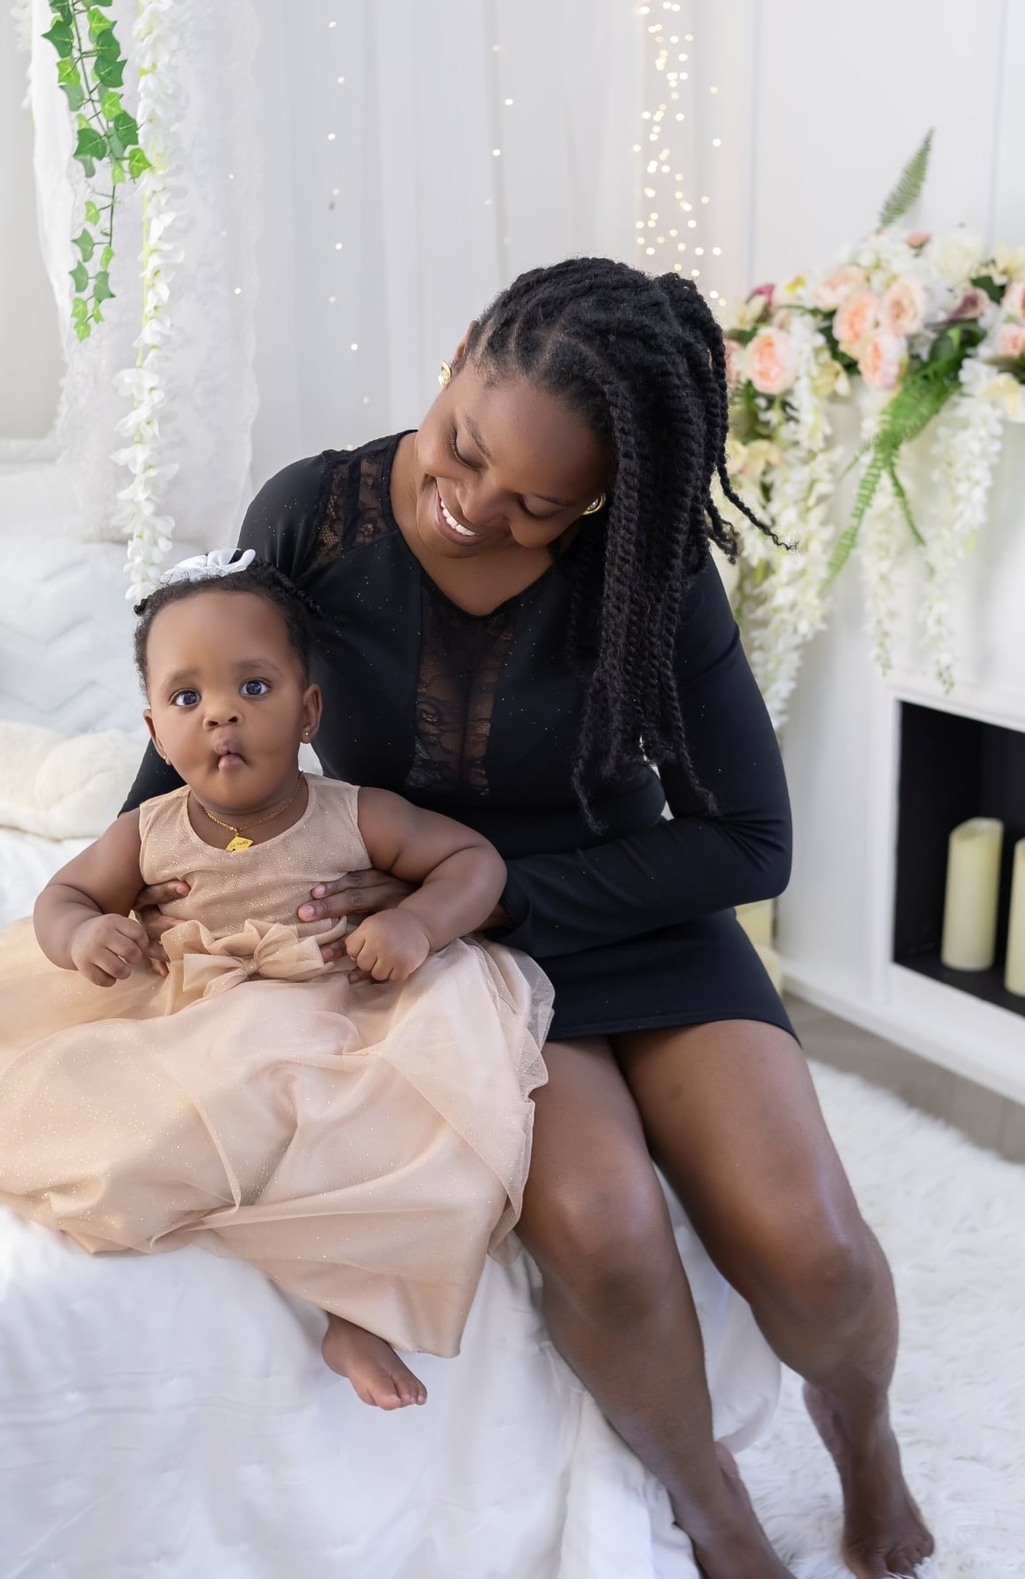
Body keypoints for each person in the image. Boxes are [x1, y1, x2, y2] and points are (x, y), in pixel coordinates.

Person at [126, 258, 934, 1579]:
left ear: (606, 500)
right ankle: (714, 1512)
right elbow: (187, 747)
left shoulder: (650, 570)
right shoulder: (317, 518)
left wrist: (488, 887)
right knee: (609, 1241)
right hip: (452, 956)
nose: (473, 511)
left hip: (629, 915)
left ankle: (866, 1434)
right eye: (463, 452)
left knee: (821, 1253)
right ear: (455, 358)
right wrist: (117, 898)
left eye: (538, 509)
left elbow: (752, 840)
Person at [0, 557, 553, 1412]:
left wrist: (418, 923)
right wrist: (86, 932)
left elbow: (471, 861)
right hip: (197, 1011)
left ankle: (358, 1309)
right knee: (122, 1124)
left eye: (254, 686)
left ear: (308, 712)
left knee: (423, 1141)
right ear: (157, 732)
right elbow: (63, 897)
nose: (222, 712)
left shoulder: (354, 814)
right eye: (188, 699)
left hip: (344, 1008)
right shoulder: (147, 832)